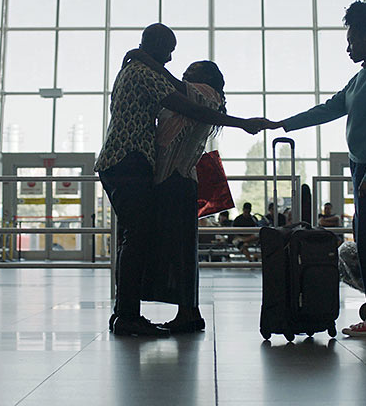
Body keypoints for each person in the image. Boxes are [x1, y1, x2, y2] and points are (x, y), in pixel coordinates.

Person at [96, 23, 260, 336]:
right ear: (154, 45)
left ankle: (136, 313)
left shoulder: (149, 74)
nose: (172, 62)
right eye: (168, 51)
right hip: (132, 162)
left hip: (152, 171)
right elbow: (181, 101)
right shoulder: (143, 73)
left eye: (188, 69)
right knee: (141, 238)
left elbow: (187, 102)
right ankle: (130, 314)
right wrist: (242, 124)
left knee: (144, 240)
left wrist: (141, 57)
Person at [256, 0, 366, 337]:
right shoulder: (360, 79)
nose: (348, 46)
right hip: (362, 169)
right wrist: (282, 124)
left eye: (351, 39)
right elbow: (326, 110)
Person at [143, 60, 228, 333]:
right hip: (176, 179)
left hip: (176, 179)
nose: (186, 73)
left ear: (209, 78)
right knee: (181, 250)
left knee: (180, 251)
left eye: (195, 70)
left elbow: (176, 86)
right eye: (187, 70)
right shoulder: (194, 96)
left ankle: (188, 313)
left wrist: (147, 61)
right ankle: (188, 311)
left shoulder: (205, 94)